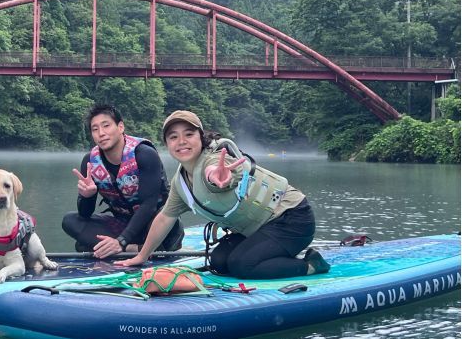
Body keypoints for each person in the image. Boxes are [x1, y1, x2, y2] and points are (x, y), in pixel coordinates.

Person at [116, 110, 330, 278]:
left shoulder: (215, 158)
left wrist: (219, 178)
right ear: (167, 144)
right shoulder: (181, 181)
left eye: (189, 134)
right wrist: (143, 255)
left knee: (242, 264)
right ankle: (273, 253)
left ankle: (311, 265)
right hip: (260, 227)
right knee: (219, 262)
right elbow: (164, 218)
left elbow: (220, 173)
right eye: (173, 137)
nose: (181, 141)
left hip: (292, 219)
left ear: (201, 138)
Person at [62, 104, 184, 259]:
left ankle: (129, 248)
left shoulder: (144, 154)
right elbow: (85, 214)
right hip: (122, 223)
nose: (101, 133)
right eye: (95, 129)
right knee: (70, 221)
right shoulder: (90, 162)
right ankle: (133, 248)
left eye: (106, 126)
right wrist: (87, 196)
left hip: (154, 222)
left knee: (167, 222)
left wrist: (121, 241)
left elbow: (149, 204)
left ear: (120, 127)